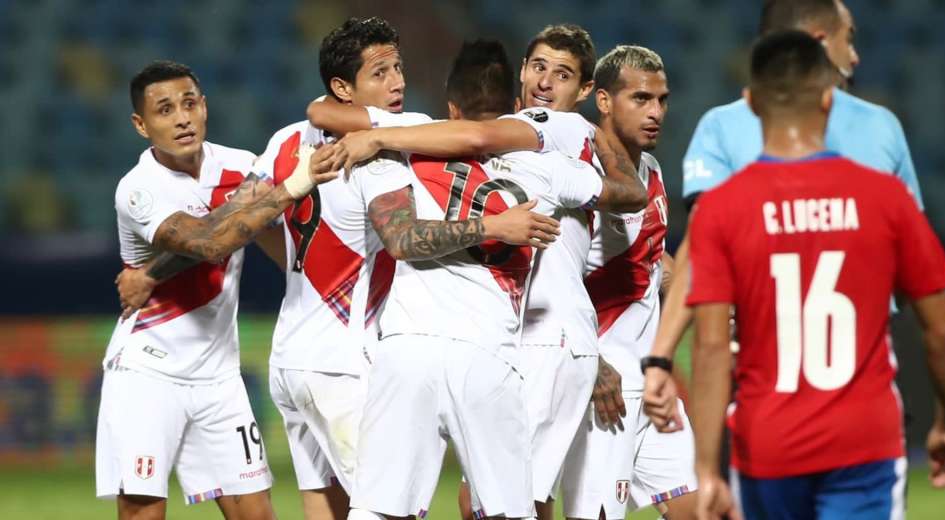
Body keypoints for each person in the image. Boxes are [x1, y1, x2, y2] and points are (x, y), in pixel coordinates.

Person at [114, 20, 557, 520]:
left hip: (292, 362)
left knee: (326, 507)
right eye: (380, 72)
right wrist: (495, 223)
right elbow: (407, 233)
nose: (397, 83)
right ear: (344, 89)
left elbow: (233, 224)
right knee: (394, 511)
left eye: (398, 68)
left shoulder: (284, 143)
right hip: (345, 364)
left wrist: (153, 270)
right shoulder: (381, 143)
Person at [345, 39, 644, 520]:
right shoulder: (552, 167)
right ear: (514, 108)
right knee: (511, 510)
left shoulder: (398, 150)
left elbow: (400, 237)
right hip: (487, 355)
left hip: (406, 349)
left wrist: (382, 134)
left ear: (451, 108)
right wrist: (594, 132)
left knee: (379, 511)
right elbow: (632, 193)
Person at [685, 31, 945, 520]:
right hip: (864, 441)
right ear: (828, 100)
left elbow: (711, 348)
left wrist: (707, 469)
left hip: (765, 444)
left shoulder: (720, 210)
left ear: (750, 103)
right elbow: (942, 331)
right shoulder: (885, 198)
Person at [646, 0, 925, 436]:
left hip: (857, 363)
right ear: (817, 40)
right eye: (847, 38)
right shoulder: (725, 126)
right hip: (769, 361)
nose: (855, 56)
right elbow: (704, 247)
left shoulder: (881, 125)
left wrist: (662, 356)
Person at [98, 60, 344, 520]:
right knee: (143, 513)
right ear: (140, 124)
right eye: (165, 110)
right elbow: (207, 241)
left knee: (257, 514)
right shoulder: (137, 189)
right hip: (148, 373)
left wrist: (151, 273)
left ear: (205, 106)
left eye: (189, 103)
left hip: (220, 379)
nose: (182, 118)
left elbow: (277, 245)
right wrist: (295, 182)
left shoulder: (241, 166)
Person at [560, 45, 697, 520]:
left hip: (650, 384)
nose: (655, 112)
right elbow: (550, 279)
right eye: (640, 99)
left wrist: (711, 297)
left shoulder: (653, 173)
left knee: (701, 508)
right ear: (602, 100)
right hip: (605, 385)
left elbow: (654, 260)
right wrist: (592, 364)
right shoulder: (581, 177)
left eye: (661, 100)